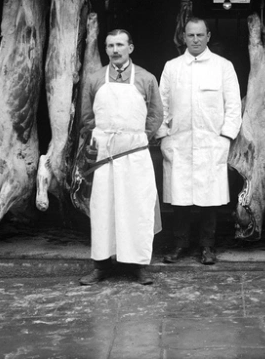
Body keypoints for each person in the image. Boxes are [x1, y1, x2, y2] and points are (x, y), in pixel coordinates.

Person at [78, 29, 163, 286]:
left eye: (120, 45)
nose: (115, 50)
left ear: (131, 48)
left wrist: (136, 137)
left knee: (137, 207)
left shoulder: (146, 79)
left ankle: (137, 266)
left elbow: (156, 115)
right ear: (105, 49)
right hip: (105, 151)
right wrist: (102, 138)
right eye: (110, 45)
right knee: (103, 208)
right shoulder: (94, 79)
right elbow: (86, 118)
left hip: (135, 152)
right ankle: (101, 265)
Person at [158, 17, 242, 265]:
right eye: (190, 35)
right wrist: (163, 134)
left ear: (208, 36)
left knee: (209, 198)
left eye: (199, 35)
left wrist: (226, 136)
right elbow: (160, 105)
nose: (195, 39)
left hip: (211, 142)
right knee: (180, 198)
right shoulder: (172, 67)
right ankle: (179, 245)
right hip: (178, 141)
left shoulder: (222, 66)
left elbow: (233, 105)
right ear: (183, 37)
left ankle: (207, 246)